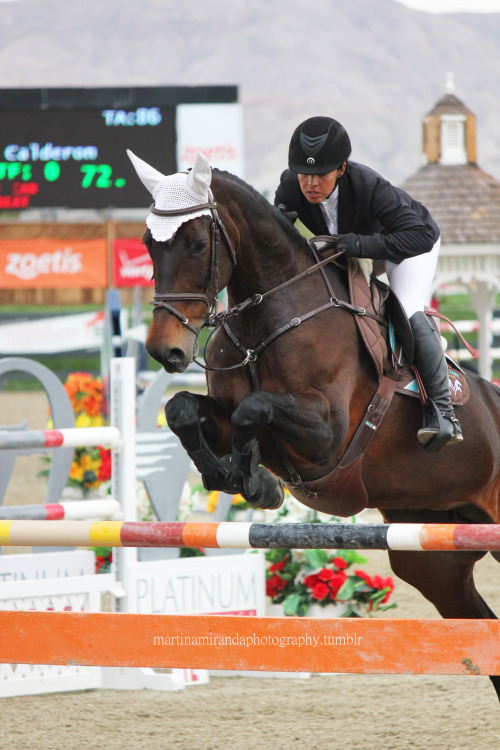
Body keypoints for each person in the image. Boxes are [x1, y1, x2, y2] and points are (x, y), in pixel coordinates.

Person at [274, 115, 462, 452]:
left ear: (341, 169)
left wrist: (360, 244)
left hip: (408, 245)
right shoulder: (289, 187)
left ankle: (443, 412)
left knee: (405, 307)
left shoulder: (369, 185)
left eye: (320, 175)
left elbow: (416, 236)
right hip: (356, 249)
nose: (310, 183)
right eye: (304, 174)